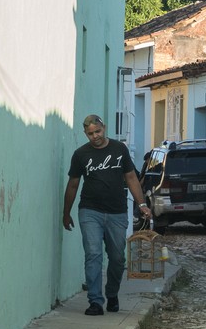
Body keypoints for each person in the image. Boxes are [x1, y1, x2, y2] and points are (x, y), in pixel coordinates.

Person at [63, 114, 151, 316]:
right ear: (85, 134)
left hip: (117, 212)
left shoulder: (119, 149)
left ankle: (112, 293)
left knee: (117, 258)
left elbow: (131, 177)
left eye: (98, 131)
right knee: (93, 254)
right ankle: (95, 301)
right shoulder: (80, 155)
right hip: (90, 211)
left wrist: (142, 204)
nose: (95, 136)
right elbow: (73, 184)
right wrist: (66, 213)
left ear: (105, 128)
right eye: (90, 133)